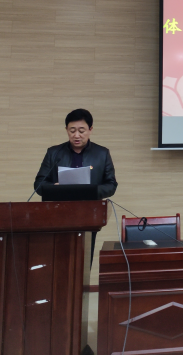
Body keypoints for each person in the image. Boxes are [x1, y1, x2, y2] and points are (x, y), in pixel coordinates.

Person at [34, 108, 117, 266]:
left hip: (89, 216)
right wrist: (55, 188)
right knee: (58, 262)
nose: (76, 135)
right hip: (58, 216)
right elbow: (39, 185)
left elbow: (111, 185)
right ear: (66, 130)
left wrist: (91, 191)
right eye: (72, 130)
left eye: (81, 130)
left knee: (83, 263)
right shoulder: (54, 153)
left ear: (90, 130)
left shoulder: (102, 154)